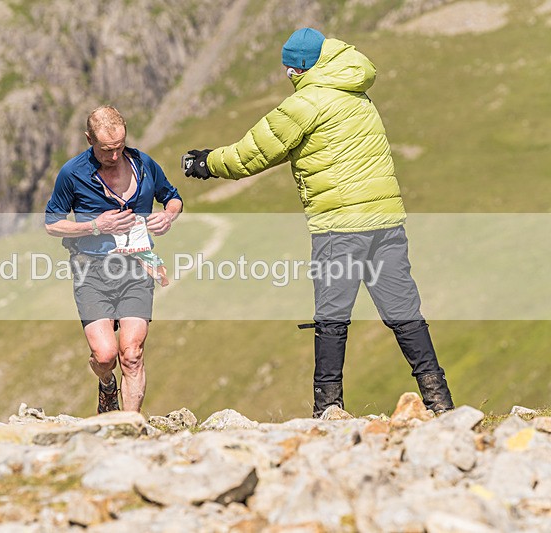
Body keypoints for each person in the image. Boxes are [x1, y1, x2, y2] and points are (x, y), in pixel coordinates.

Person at [184, 28, 454, 417]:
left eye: (288, 68)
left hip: (340, 227)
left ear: (299, 68)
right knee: (404, 313)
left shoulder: (305, 104)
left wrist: (205, 163)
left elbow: (252, 153)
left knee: (332, 320)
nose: (287, 74)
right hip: (386, 222)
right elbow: (289, 147)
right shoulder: (357, 94)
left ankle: (328, 410)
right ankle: (440, 402)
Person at [45, 105, 183, 414]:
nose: (114, 155)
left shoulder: (144, 164)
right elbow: (52, 223)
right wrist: (94, 226)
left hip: (137, 267)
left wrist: (169, 215)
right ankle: (107, 383)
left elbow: (173, 196)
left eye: (120, 146)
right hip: (91, 271)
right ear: (89, 139)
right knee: (105, 355)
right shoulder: (73, 173)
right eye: (107, 149)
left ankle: (128, 426)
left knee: (131, 354)